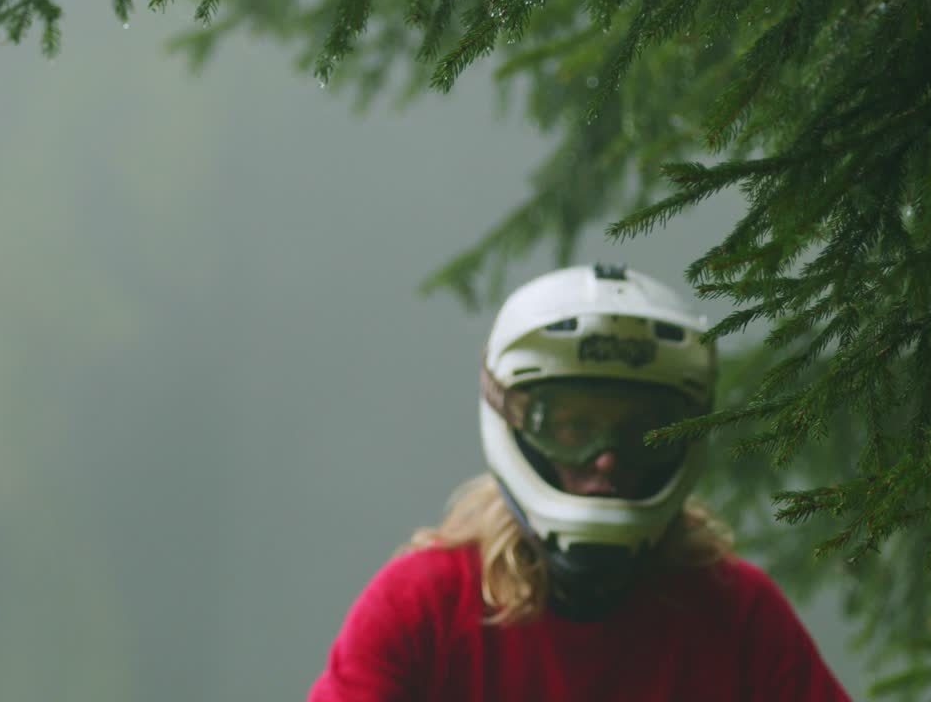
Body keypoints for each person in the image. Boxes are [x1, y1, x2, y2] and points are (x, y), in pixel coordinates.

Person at [309, 264, 851, 701]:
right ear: (515, 424)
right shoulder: (422, 605)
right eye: (573, 428)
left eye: (642, 431)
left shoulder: (736, 614)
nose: (606, 460)